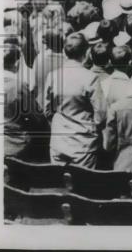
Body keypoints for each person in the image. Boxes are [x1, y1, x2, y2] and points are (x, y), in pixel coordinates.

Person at [43, 32, 105, 167]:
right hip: (83, 143)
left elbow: (47, 109)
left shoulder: (53, 76)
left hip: (59, 140)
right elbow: (101, 115)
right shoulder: (91, 77)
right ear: (87, 52)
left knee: (59, 183)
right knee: (83, 185)